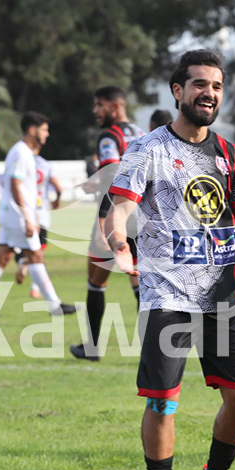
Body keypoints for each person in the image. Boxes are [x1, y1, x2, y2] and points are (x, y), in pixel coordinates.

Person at [105, 50, 235, 470]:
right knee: (163, 400)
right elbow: (119, 207)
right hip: (166, 291)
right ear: (177, 91)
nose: (210, 93)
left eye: (217, 86)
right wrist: (119, 239)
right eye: (200, 84)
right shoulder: (146, 149)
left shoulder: (231, 156)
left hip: (221, 295)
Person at [0, 112, 76, 316]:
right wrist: (28, 217)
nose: (47, 134)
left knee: (3, 257)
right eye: (44, 129)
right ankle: (54, 305)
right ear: (32, 130)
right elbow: (15, 185)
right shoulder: (21, 153)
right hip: (17, 216)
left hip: (12, 214)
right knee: (36, 255)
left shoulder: (25, 153)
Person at [70, 86, 145, 361]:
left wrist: (103, 221)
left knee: (96, 281)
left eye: (99, 105)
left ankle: (91, 347)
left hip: (115, 216)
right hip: (140, 215)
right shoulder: (140, 133)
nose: (95, 111)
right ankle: (153, 347)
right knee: (139, 281)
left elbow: (113, 173)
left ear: (115, 107)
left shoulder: (108, 136)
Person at [15, 149, 63, 298]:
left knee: (22, 247)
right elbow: (58, 187)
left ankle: (22, 262)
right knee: (39, 252)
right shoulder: (45, 164)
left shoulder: (22, 161)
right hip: (42, 213)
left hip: (26, 212)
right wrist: (57, 199)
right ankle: (35, 288)